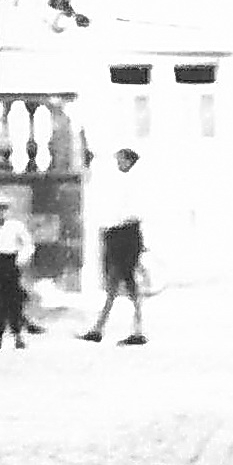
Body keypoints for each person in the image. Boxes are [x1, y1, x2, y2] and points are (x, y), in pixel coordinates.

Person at [83, 145, 148, 345]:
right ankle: (100, 327)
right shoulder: (119, 181)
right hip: (117, 232)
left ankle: (134, 329)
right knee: (116, 281)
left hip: (126, 233)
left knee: (125, 281)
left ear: (129, 160)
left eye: (121, 160)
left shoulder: (135, 182)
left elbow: (131, 212)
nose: (119, 163)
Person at [0, 197, 34, 350]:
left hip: (11, 261)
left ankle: (18, 335)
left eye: (3, 209)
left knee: (14, 300)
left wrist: (20, 260)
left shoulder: (16, 226)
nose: (0, 212)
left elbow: (28, 244)